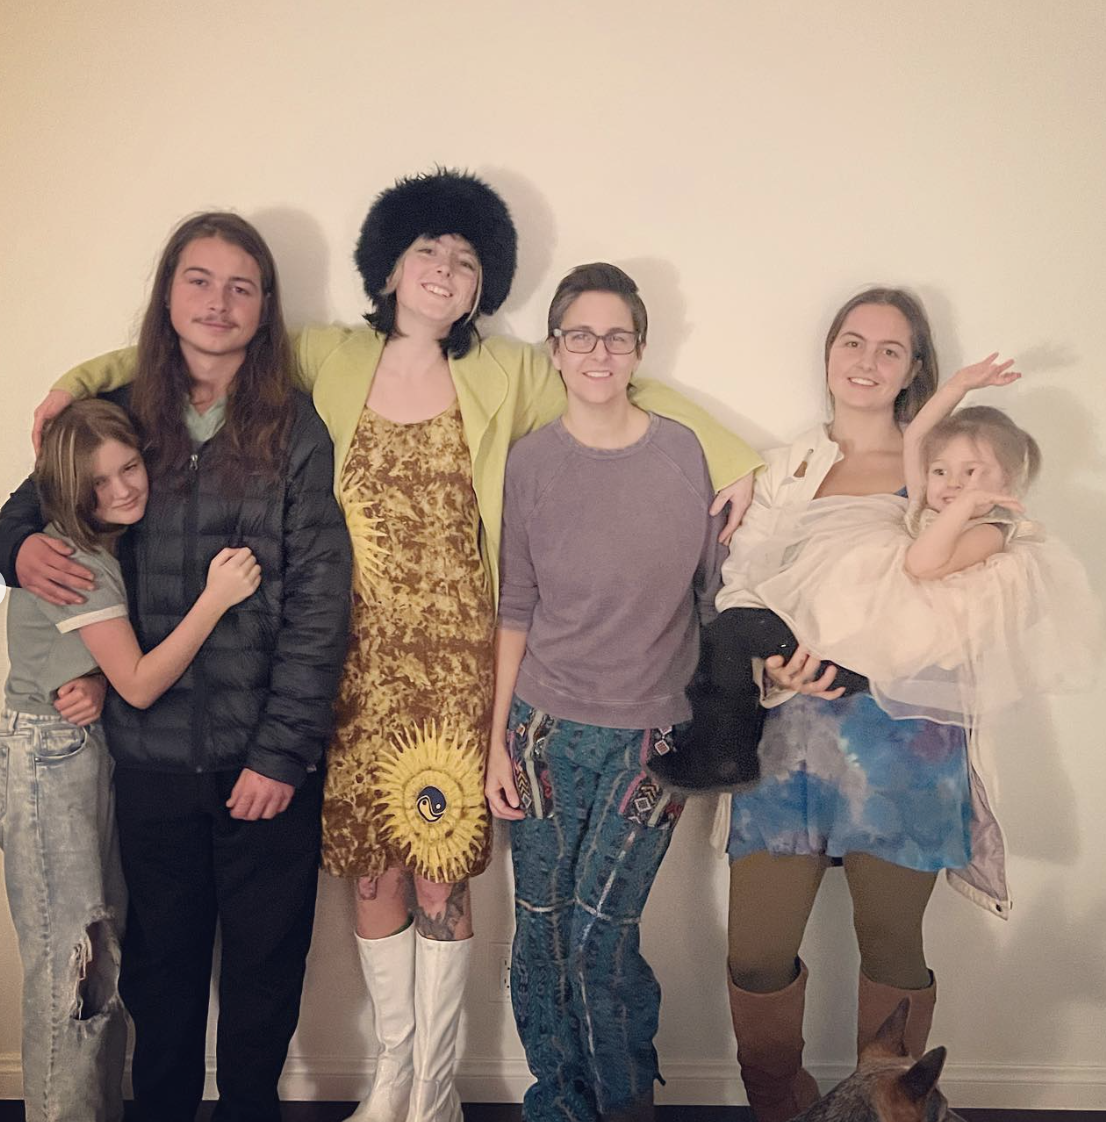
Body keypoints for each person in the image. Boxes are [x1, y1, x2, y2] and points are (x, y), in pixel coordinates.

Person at [28, 169, 762, 1122]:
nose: (444, 270)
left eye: (465, 260)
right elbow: (189, 349)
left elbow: (615, 380)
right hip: (350, 664)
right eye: (427, 251)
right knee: (371, 863)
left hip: (458, 662)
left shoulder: (506, 371)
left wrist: (730, 456)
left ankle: (436, 1090)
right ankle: (392, 1075)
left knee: (440, 861)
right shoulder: (326, 354)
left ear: (484, 284)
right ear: (387, 267)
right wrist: (75, 382)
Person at [0, 213, 352, 1122]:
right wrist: (13, 549)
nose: (218, 302)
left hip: (262, 763)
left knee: (265, 974)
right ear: (167, 294)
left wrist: (282, 753)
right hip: (148, 756)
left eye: (241, 286)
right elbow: (38, 505)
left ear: (265, 306)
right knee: (159, 975)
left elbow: (320, 604)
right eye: (199, 279)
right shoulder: (124, 409)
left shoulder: (296, 427)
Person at [708, 288, 1010, 1122]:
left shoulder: (950, 465)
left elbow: (984, 582)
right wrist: (776, 656)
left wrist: (878, 654)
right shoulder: (785, 469)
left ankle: (890, 1111)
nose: (867, 361)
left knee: (892, 942)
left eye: (890, 349)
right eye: (853, 341)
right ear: (829, 354)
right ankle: (783, 1110)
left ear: (915, 370)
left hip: (905, 735)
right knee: (757, 954)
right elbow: (740, 585)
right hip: (789, 734)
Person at [484, 263, 724, 1122]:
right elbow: (515, 606)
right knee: (541, 934)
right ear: (555, 349)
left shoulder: (685, 453)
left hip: (654, 740)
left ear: (639, 349)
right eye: (579, 335)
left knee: (599, 935)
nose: (598, 351)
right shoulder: (531, 463)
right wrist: (495, 741)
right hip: (542, 733)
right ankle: (558, 1104)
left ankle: (623, 1103)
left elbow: (716, 595)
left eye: (615, 336)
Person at [652, 355, 1097, 791]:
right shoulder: (929, 504)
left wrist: (962, 508)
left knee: (731, 633)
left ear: (1005, 483)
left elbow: (922, 563)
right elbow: (917, 435)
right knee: (730, 631)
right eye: (941, 471)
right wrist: (959, 386)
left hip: (868, 668)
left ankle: (724, 754)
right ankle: (726, 748)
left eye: (971, 472)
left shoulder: (990, 532)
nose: (952, 483)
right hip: (839, 643)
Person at [2, 399, 259, 1122]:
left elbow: (104, 665)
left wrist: (93, 679)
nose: (121, 490)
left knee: (101, 959)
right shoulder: (77, 560)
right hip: (48, 760)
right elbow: (141, 683)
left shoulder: (108, 546)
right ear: (68, 489)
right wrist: (215, 599)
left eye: (129, 467)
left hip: (83, 747)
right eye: (98, 482)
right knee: (70, 970)